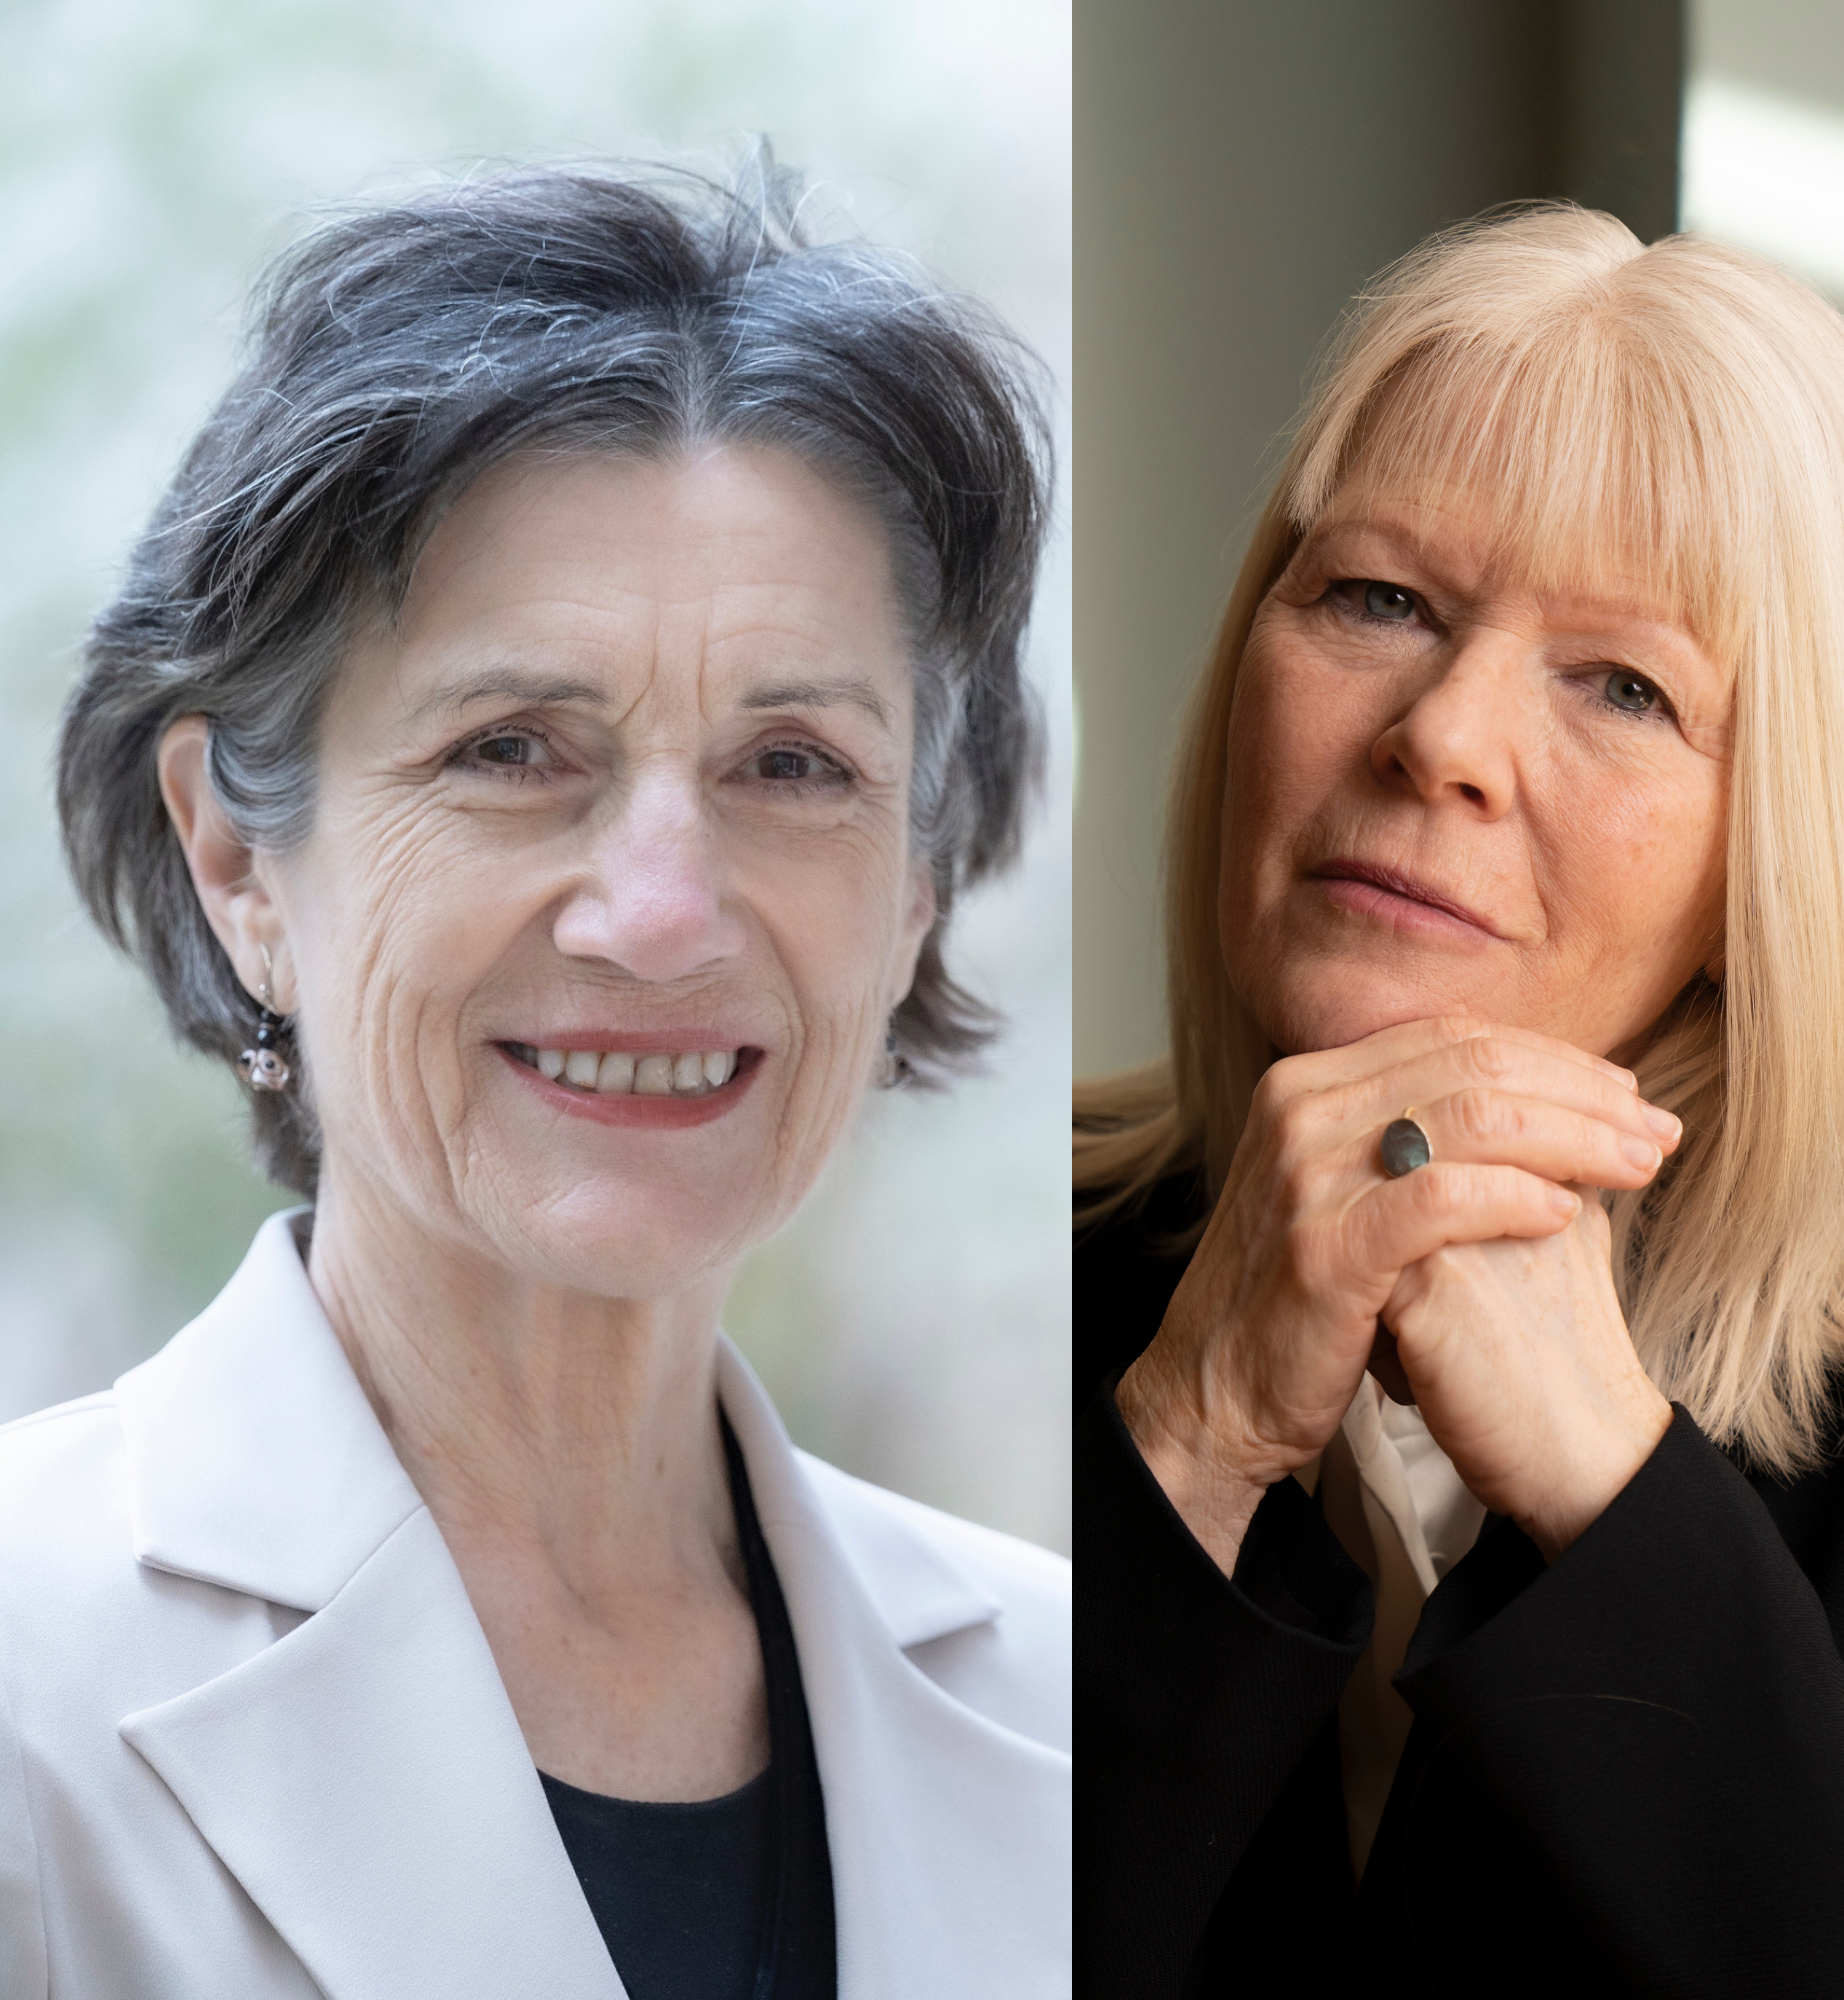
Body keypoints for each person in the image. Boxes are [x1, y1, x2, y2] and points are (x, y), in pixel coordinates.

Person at [0, 162, 1068, 2000]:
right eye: (511, 748)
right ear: (237, 863)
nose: (662, 917)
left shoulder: (1076, 1708)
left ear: (913, 890)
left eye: (793, 765)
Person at [1074, 204, 1844, 1996]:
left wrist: (1613, 1493)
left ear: (1781, 844)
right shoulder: (1017, 1261)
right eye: (1378, 599)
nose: (1443, 737)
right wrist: (1189, 1438)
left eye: (1626, 686)